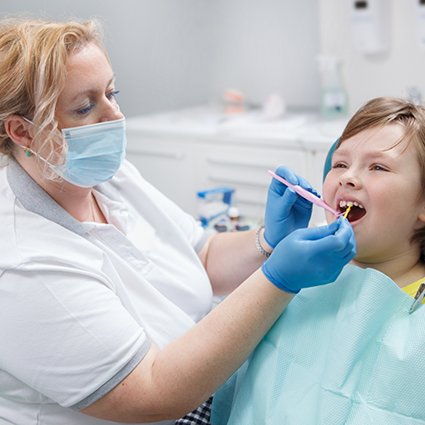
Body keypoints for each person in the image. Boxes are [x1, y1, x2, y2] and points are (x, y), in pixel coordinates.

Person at [0, 17, 356, 425]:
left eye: (112, 93)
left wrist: (268, 241)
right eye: (85, 107)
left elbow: (201, 257)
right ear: (22, 132)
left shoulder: (105, 178)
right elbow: (151, 394)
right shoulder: (22, 264)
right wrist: (278, 280)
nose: (114, 116)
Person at [211, 97, 425, 425]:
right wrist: (270, 253)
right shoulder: (293, 271)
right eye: (339, 164)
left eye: (378, 167)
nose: (347, 178)